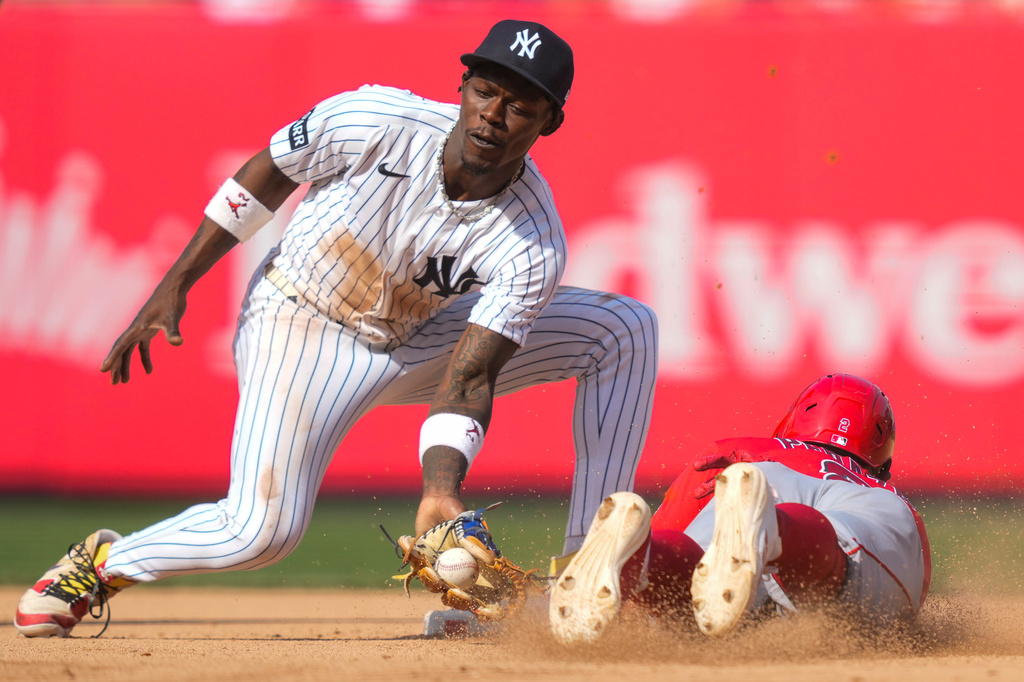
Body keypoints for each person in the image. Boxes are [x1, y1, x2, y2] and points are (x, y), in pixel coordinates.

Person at [14, 19, 658, 638]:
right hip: (301, 321)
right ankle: (99, 566)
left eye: (521, 104)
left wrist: (440, 491)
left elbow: (468, 376)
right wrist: (175, 283)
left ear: (551, 122)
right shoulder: (375, 118)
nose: (493, 112)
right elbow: (267, 172)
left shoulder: (532, 240)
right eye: (486, 89)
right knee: (260, 532)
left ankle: (592, 573)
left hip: (416, 338)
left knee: (625, 328)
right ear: (462, 86)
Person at [549, 373, 930, 644]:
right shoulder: (887, 493)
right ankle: (773, 530)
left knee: (694, 581)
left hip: (760, 480)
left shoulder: (742, 453)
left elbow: (676, 530)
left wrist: (644, 579)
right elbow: (916, 583)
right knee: (837, 569)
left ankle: (640, 558)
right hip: (856, 508)